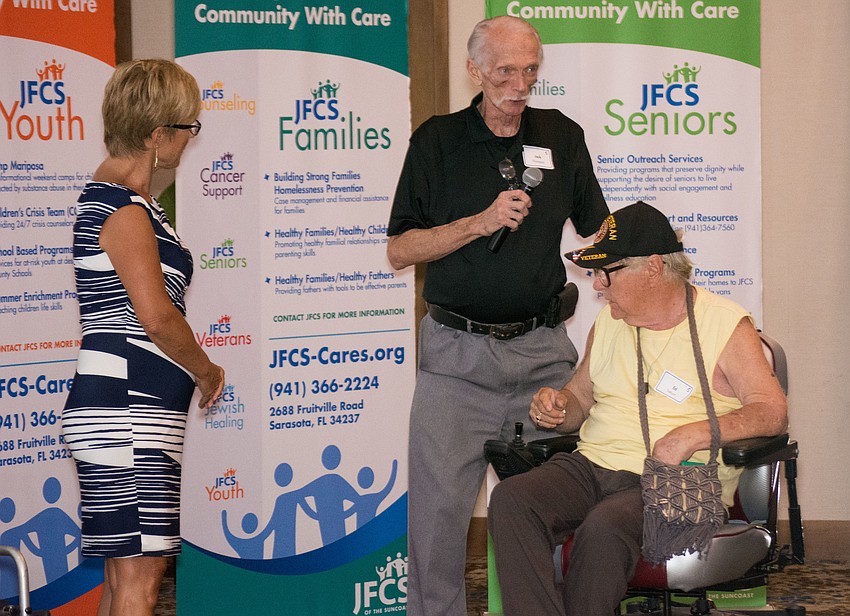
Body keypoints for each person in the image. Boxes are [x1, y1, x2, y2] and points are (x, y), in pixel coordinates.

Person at [387, 15, 609, 616]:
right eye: (506, 71)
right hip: (456, 363)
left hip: (543, 358)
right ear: (475, 71)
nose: (519, 84)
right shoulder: (437, 142)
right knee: (435, 527)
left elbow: (598, 228)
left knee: (566, 513)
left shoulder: (560, 135)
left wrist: (647, 249)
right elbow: (400, 250)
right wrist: (479, 223)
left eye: (530, 70)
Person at [487, 201, 788, 616]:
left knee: (604, 527)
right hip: (592, 465)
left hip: (672, 482)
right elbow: (579, 400)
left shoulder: (724, 324)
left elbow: (772, 411)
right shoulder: (610, 322)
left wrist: (690, 435)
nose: (596, 285)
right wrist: (557, 405)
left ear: (652, 267)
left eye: (605, 272)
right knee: (512, 499)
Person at [61, 59, 225, 616]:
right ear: (157, 134)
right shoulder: (123, 208)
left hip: (129, 408)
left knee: (124, 578)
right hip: (127, 413)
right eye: (188, 127)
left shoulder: (130, 201)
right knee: (141, 580)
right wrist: (206, 370)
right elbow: (156, 317)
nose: (191, 137)